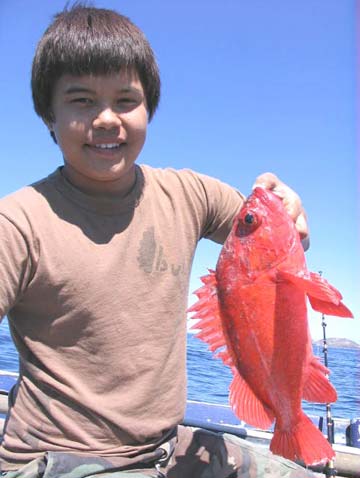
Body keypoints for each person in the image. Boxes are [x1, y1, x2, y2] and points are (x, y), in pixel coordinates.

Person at [0, 4, 314, 477]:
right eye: (81, 100)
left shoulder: (187, 194)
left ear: (150, 108)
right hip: (58, 458)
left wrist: (291, 212)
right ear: (49, 115)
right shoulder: (18, 222)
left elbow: (265, 242)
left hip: (164, 448)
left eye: (126, 100)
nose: (107, 118)